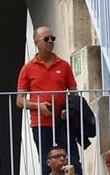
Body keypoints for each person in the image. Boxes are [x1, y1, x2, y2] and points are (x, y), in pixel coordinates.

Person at [16, 27, 83, 175]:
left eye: (53, 38)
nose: (51, 41)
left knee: (72, 161)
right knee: (47, 165)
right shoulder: (27, 69)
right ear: (36, 43)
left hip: (63, 122)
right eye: (46, 39)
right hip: (40, 123)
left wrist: (69, 108)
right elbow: (19, 101)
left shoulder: (64, 65)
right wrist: (38, 106)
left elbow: (74, 93)